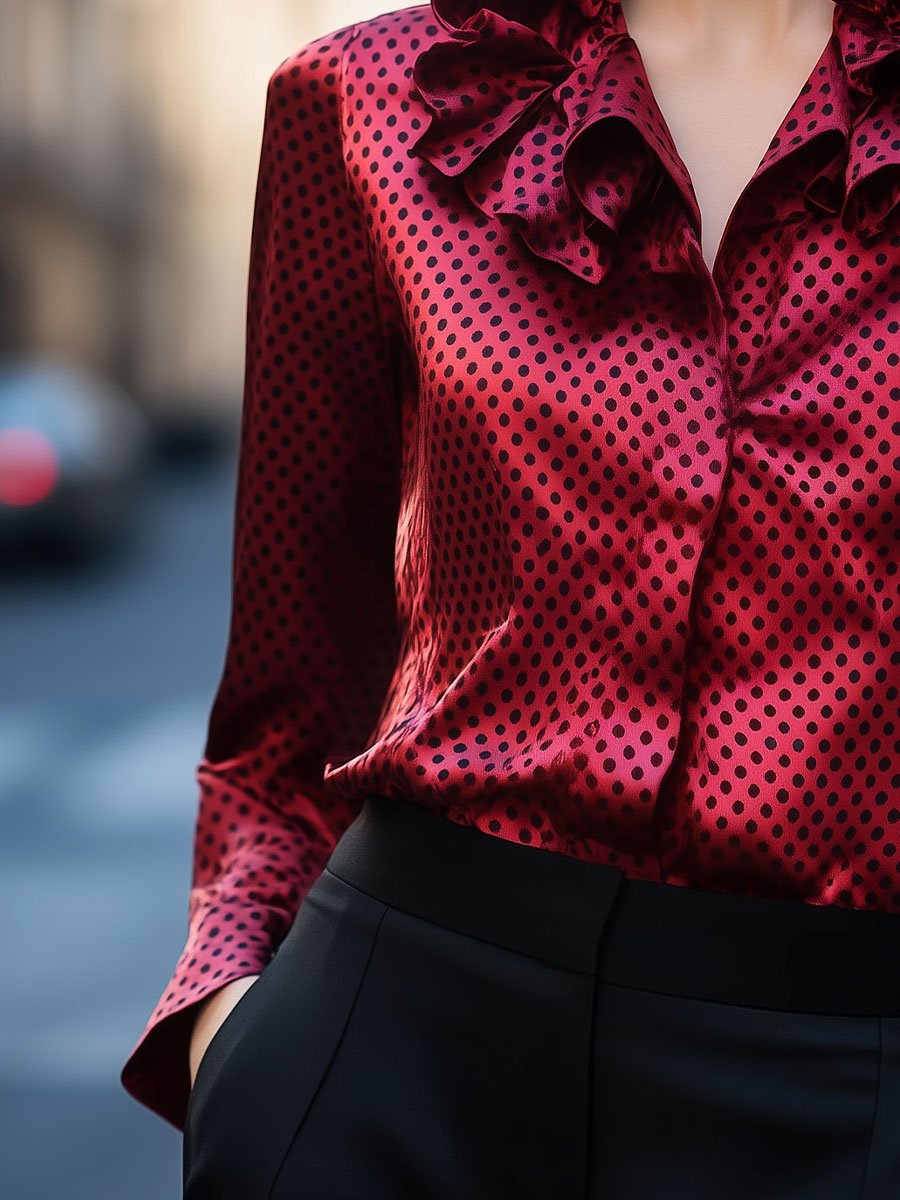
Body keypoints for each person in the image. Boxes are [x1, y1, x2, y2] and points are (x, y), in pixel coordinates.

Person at [121, 0, 900, 1195]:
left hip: (847, 1070)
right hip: (402, 1048)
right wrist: (231, 1014)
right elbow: (288, 692)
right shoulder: (370, 98)